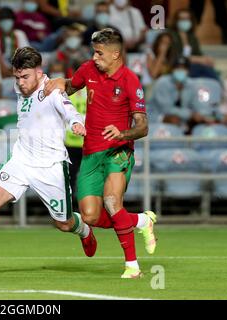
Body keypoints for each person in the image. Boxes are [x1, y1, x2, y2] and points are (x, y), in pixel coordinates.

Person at [0, 46, 96, 277]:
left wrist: (76, 124)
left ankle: (84, 230)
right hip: (21, 160)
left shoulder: (52, 91)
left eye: (25, 76)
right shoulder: (21, 86)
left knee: (63, 223)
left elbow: (70, 111)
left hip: (50, 166)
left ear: (39, 73)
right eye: (16, 77)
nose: (20, 82)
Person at [44, 28, 157, 278]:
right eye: (93, 52)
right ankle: (140, 221)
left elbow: (143, 126)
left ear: (116, 54)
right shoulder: (88, 70)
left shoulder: (130, 81)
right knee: (90, 216)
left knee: (112, 202)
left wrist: (123, 134)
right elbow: (71, 86)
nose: (95, 58)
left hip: (118, 153)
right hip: (90, 154)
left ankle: (132, 266)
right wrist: (60, 83)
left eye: (99, 53)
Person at [149, 56, 223, 132]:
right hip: (157, 115)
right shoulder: (162, 82)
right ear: (172, 70)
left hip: (182, 118)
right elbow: (166, 109)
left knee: (199, 122)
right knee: (174, 119)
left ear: (188, 70)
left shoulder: (190, 84)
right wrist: (191, 115)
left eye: (183, 68)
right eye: (177, 68)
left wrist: (205, 117)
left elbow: (196, 105)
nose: (180, 71)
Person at [168, 8, 218, 80]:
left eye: (187, 19)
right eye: (182, 19)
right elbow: (176, 56)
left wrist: (206, 59)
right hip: (178, 66)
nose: (184, 21)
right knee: (203, 69)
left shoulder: (192, 37)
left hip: (192, 65)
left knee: (207, 68)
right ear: (176, 21)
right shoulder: (170, 35)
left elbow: (198, 54)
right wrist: (199, 60)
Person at [0, 7, 29, 77]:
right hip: (0, 67)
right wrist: (8, 73)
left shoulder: (20, 34)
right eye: (3, 20)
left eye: (8, 20)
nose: (6, 23)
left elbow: (25, 55)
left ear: (13, 21)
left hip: (17, 67)